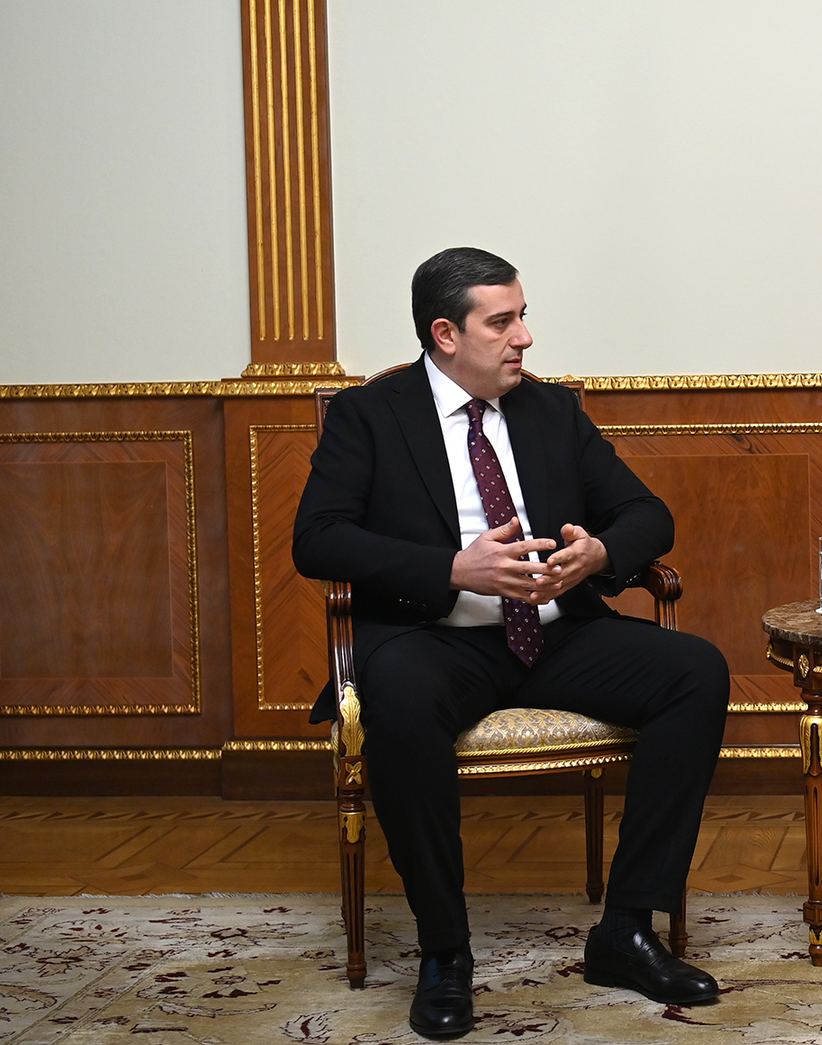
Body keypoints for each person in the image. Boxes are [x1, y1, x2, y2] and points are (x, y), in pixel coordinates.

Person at [293, 248, 729, 1038]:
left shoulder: (549, 410)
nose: (523, 337)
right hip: (435, 639)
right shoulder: (371, 415)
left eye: (523, 317)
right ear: (445, 334)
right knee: (398, 698)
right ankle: (445, 952)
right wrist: (450, 569)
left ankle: (626, 930)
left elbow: (648, 514)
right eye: (502, 322)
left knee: (694, 671)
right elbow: (317, 539)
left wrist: (599, 554)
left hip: (558, 636)